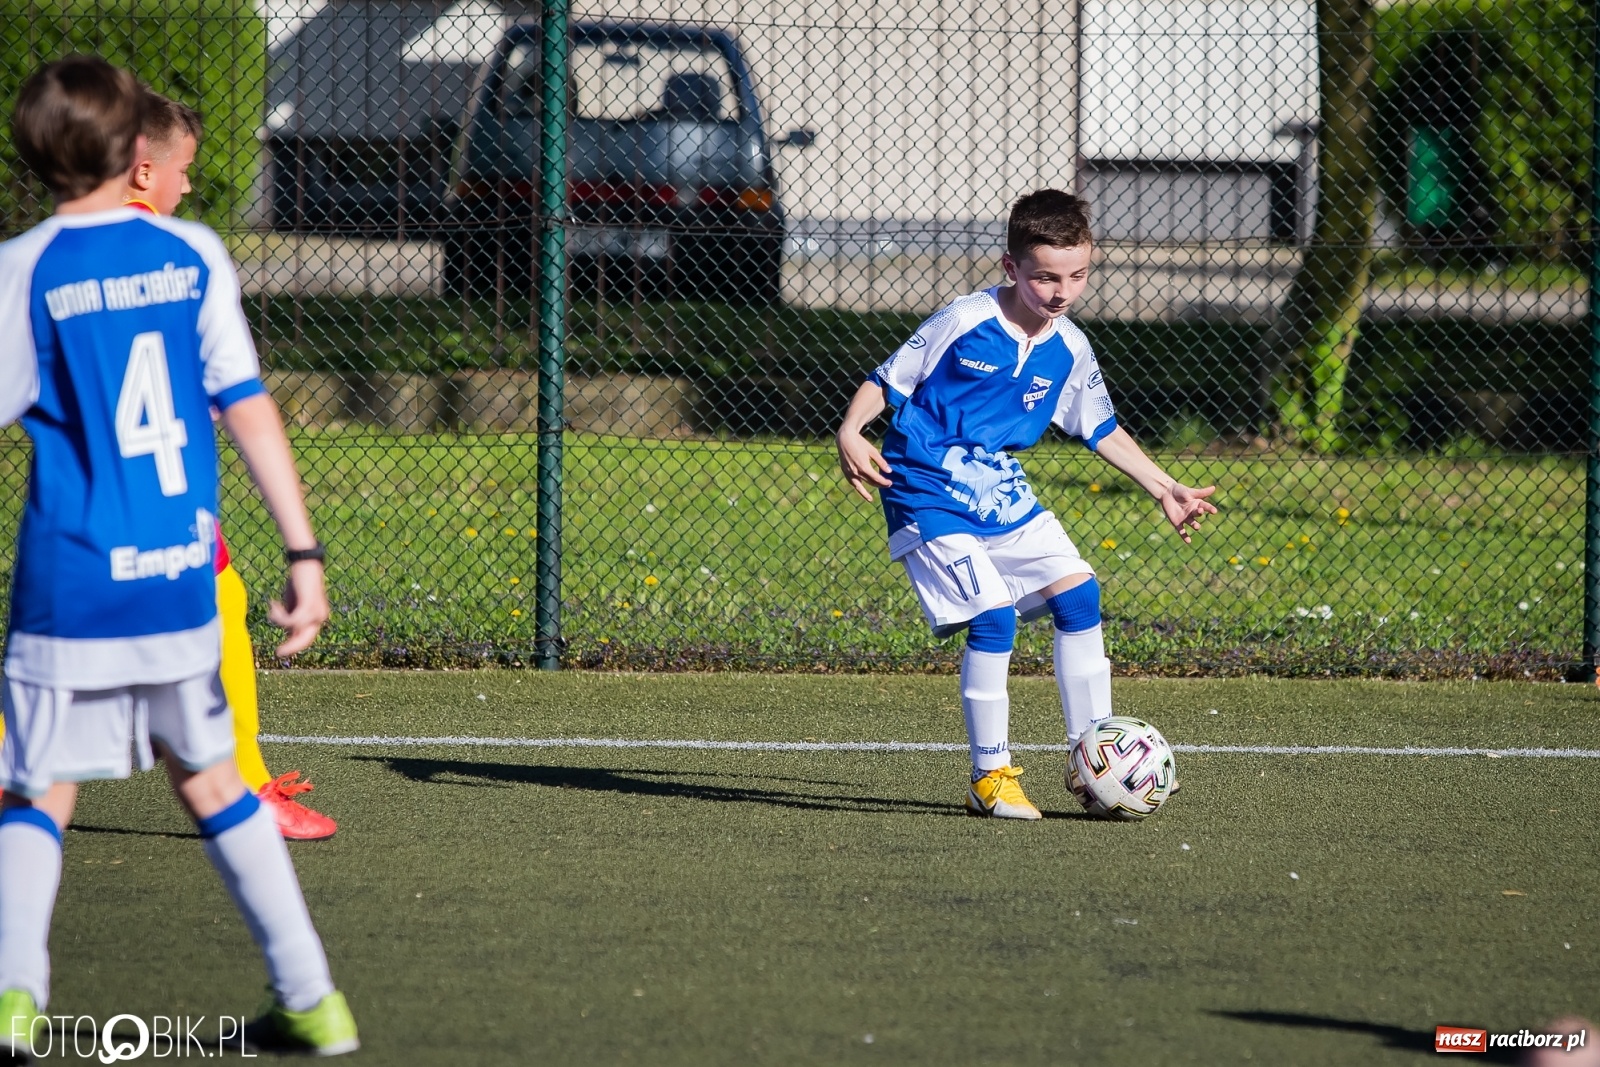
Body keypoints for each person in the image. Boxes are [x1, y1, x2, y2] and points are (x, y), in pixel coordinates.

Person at [0, 56, 357, 1055]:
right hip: (177, 576)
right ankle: (311, 994)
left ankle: (14, 997)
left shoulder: (23, 270)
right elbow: (247, 406)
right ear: (132, 151)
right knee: (209, 781)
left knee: (34, 790)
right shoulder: (193, 253)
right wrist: (304, 550)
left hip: (69, 577)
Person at [835, 188, 1217, 819]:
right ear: (1011, 268)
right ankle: (990, 777)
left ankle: (1094, 760)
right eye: (1045, 277)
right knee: (993, 619)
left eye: (1078, 275)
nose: (1062, 291)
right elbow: (888, 380)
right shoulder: (963, 321)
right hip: (926, 489)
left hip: (1000, 492)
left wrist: (1164, 486)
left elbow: (1100, 426)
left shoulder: (1070, 347)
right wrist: (852, 430)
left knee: (1079, 595)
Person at [124, 89, 337, 840]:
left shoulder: (41, 255)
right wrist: (303, 549)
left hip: (80, 505)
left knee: (66, 665)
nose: (190, 185)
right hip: (159, 489)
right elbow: (234, 398)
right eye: (184, 169)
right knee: (212, 603)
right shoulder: (183, 258)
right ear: (145, 171)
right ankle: (247, 789)